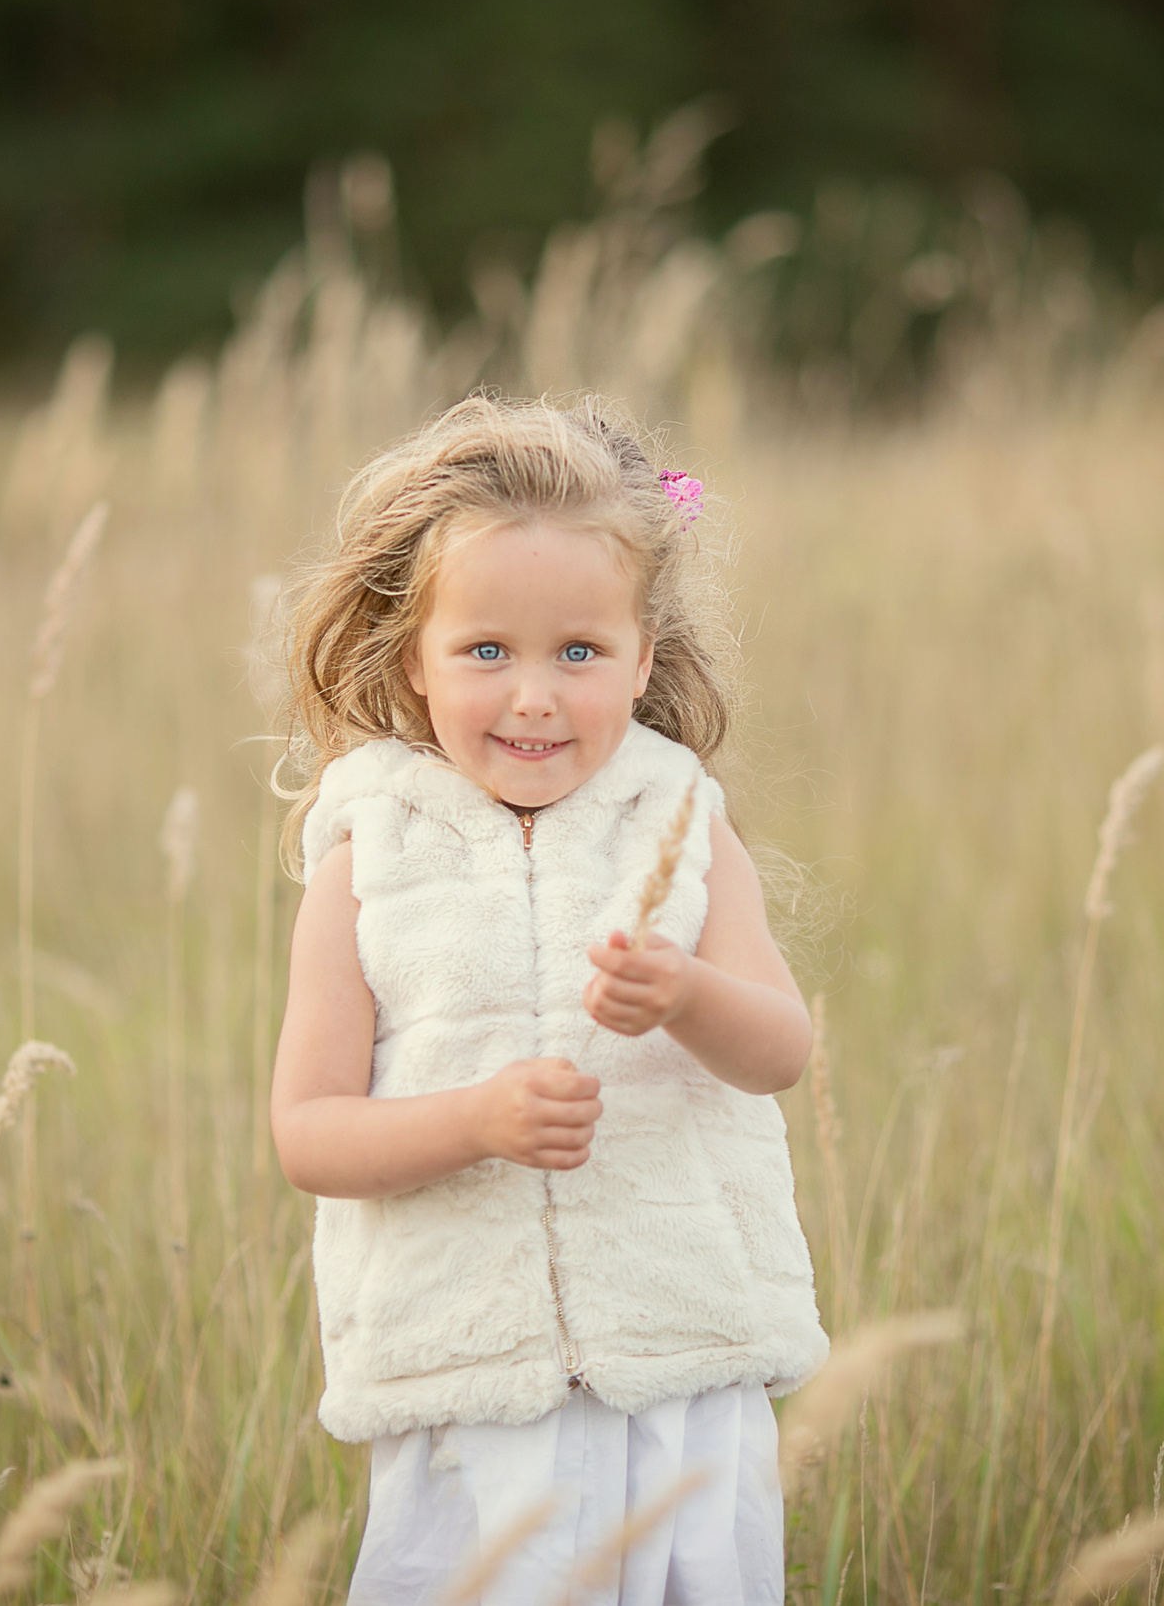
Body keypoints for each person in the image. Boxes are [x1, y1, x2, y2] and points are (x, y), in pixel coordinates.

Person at [269, 394, 829, 1605]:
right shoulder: (370, 858)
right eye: (486, 652)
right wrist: (473, 1123)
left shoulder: (678, 825)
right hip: (475, 1399)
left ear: (642, 657)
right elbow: (307, 1132)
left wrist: (684, 991)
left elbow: (782, 1049)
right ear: (412, 659)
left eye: (578, 653)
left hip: (678, 1377)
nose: (534, 696)